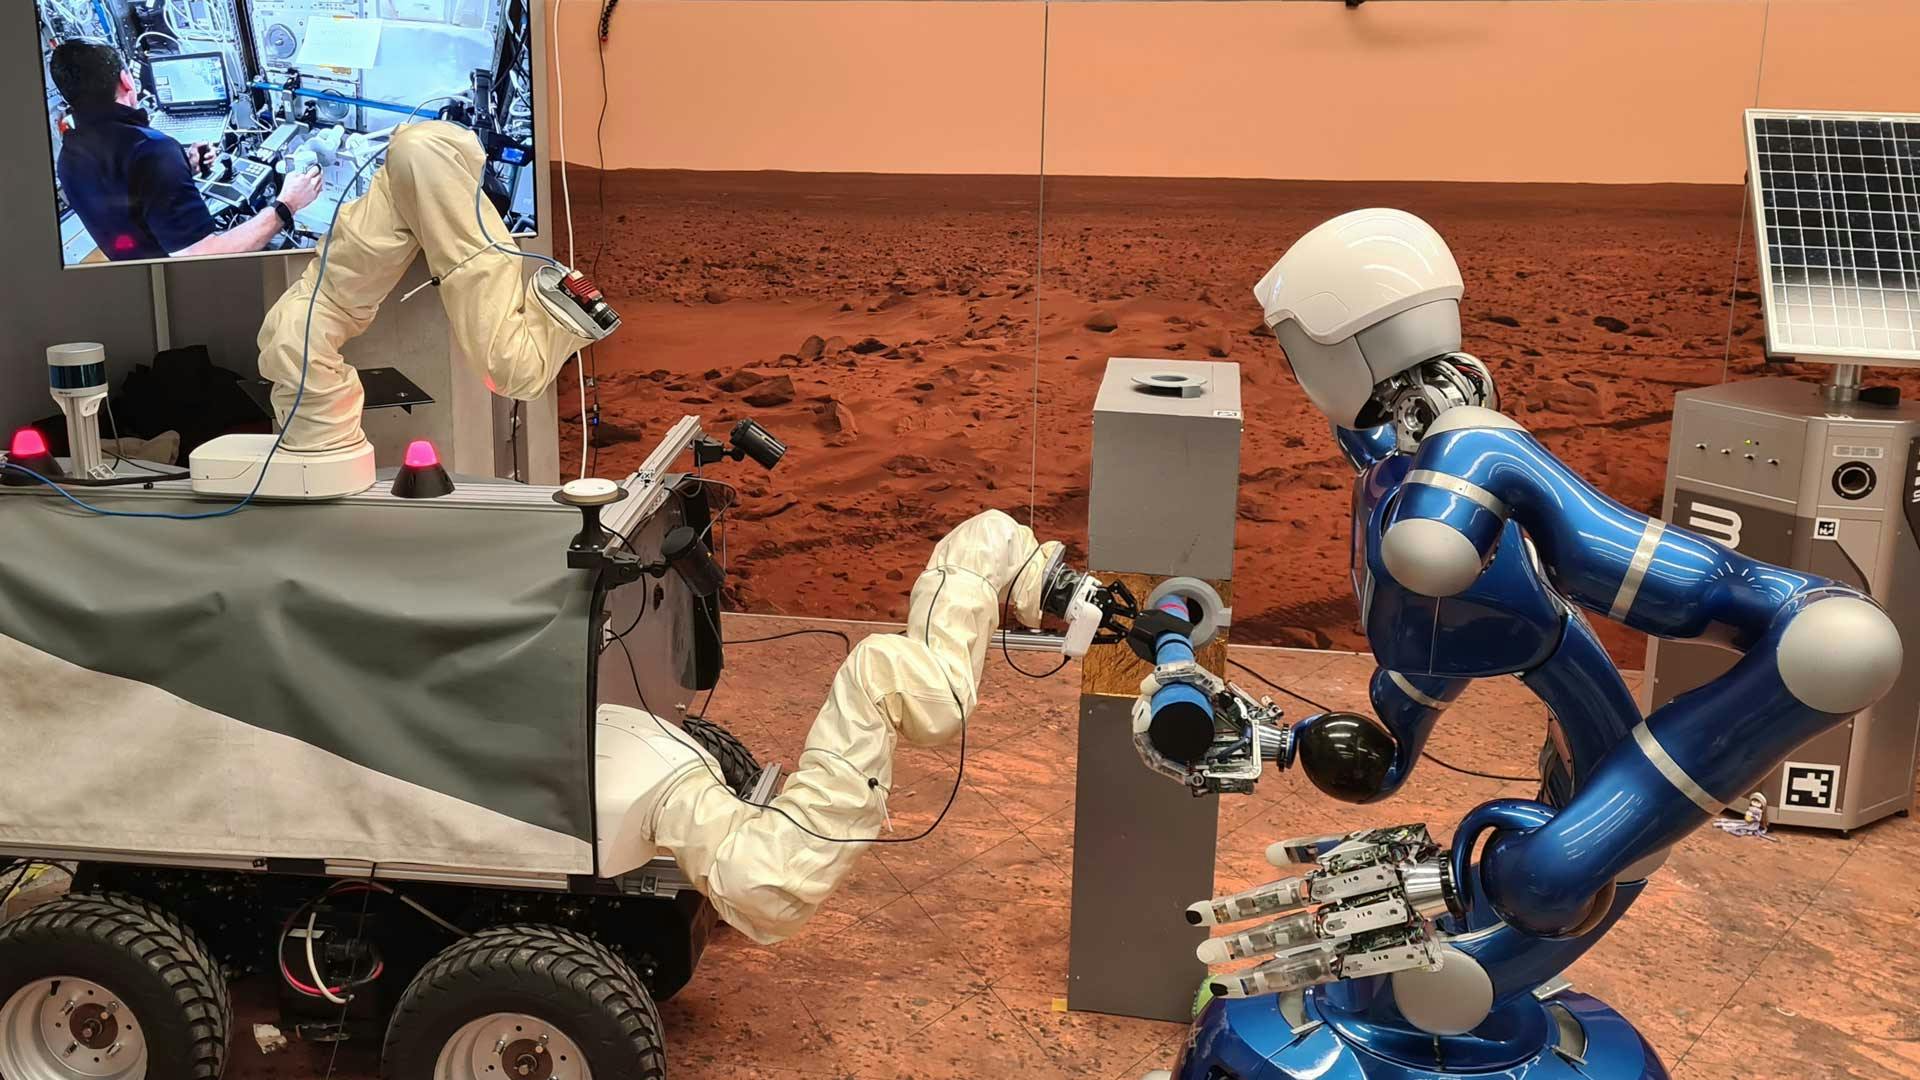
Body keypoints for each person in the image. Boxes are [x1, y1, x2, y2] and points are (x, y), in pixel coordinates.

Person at [48, 40, 324, 261]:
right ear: (126, 80)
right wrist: (287, 205)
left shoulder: (69, 154)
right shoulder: (150, 150)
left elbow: (125, 196)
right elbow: (200, 255)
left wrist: (184, 166)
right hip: (186, 290)